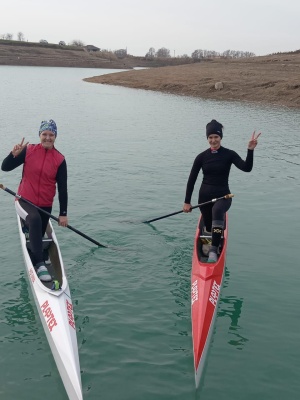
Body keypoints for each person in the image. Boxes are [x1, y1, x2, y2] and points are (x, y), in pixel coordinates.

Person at [183, 119, 261, 263]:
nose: (213, 140)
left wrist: (250, 150)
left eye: (216, 137)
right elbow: (192, 180)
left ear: (220, 137)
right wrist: (187, 202)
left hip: (223, 196)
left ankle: (213, 250)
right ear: (207, 138)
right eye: (210, 137)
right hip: (204, 198)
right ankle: (210, 239)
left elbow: (247, 168)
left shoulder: (229, 154)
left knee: (217, 211)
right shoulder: (201, 157)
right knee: (208, 226)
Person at [1, 119, 68, 281]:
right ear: (39, 135)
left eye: (51, 135)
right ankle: (40, 264)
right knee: (34, 219)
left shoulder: (60, 159)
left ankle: (30, 232)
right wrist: (13, 155)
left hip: (46, 206)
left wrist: (63, 213)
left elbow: (63, 189)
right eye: (44, 134)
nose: (47, 138)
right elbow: (5, 167)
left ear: (55, 136)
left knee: (38, 225)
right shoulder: (28, 150)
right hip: (24, 200)